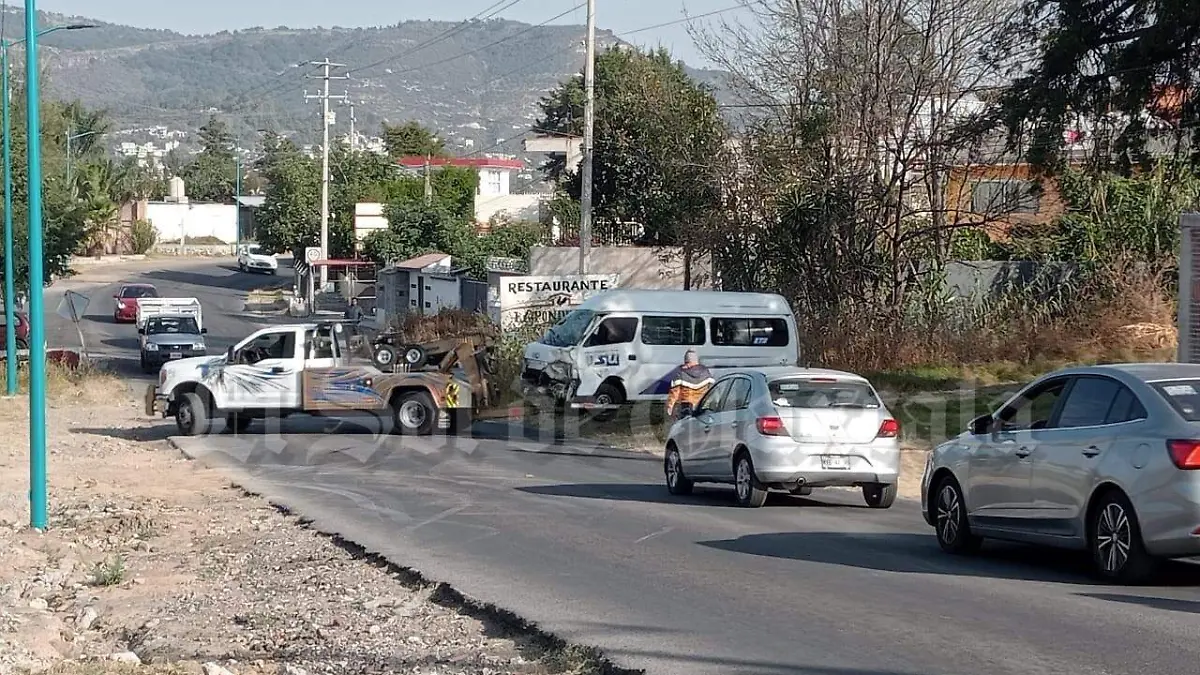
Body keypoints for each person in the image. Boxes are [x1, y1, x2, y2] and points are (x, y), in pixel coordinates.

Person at [665, 349, 715, 418]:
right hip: (703, 407)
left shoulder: (681, 374)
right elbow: (713, 390)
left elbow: (675, 392)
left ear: (686, 361)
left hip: (686, 408)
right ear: (696, 361)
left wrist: (669, 407)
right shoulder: (706, 373)